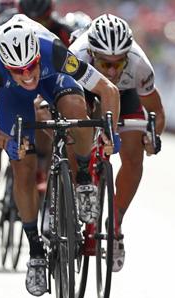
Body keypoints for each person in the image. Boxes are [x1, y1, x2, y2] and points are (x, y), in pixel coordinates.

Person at [0, 14, 120, 296]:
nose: (28, 76)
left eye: (31, 67)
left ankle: (82, 177)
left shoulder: (52, 51)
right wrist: (5, 143)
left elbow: (107, 89)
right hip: (11, 97)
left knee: (77, 111)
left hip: (54, 77)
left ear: (37, 57)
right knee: (23, 166)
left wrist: (109, 132)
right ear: (6, 67)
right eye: (19, 71)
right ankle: (36, 252)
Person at [0, 0, 78, 243]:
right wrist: (5, 140)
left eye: (44, 18)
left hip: (47, 76)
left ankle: (53, 172)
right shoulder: (0, 39)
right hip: (10, 87)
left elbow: (79, 79)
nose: (40, 22)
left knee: (58, 118)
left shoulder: (57, 34)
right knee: (3, 143)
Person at [69, 14, 165, 272]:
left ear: (127, 56)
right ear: (91, 53)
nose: (111, 70)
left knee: (134, 156)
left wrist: (152, 136)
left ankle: (115, 224)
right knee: (76, 129)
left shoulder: (139, 64)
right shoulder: (75, 55)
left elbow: (156, 111)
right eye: (104, 63)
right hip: (86, 91)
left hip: (126, 95)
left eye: (118, 63)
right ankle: (78, 186)